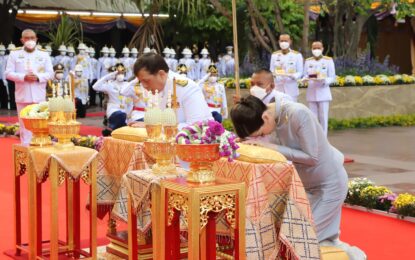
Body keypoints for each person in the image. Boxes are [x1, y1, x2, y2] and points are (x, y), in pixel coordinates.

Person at [230, 95, 366, 260]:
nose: (260, 137)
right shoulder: (268, 118)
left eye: (259, 133)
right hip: (303, 186)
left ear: (265, 117)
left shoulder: (298, 113)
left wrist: (272, 147)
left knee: (304, 238)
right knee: (301, 236)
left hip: (329, 184)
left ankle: (354, 256)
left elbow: (312, 157)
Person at [132, 53, 212, 129]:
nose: (144, 86)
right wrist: (148, 125)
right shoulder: (158, 88)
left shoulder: (187, 88)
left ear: (161, 74)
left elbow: (196, 126)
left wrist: (155, 127)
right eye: (141, 82)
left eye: (146, 81)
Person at [5, 29, 53, 145]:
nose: (30, 40)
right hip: (23, 95)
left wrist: (37, 77)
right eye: (27, 38)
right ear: (22, 40)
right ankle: (26, 149)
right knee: (24, 126)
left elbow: (51, 73)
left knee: (39, 125)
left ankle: (39, 149)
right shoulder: (15, 54)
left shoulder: (43, 54)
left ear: (36, 39)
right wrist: (23, 77)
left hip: (39, 96)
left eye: (32, 38)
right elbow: (8, 73)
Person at [303, 41, 335, 136]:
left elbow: (332, 76)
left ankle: (323, 138)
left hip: (323, 92)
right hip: (312, 92)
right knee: (313, 117)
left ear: (322, 49)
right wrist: (305, 79)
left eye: (318, 48)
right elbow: (305, 74)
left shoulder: (328, 60)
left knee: (323, 117)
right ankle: (315, 136)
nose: (316, 50)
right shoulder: (308, 61)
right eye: (314, 48)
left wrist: (324, 81)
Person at [93, 63, 133, 136]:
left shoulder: (128, 85)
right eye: (118, 73)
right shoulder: (110, 85)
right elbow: (95, 87)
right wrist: (108, 77)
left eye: (122, 73)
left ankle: (111, 128)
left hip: (125, 110)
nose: (120, 75)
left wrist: (130, 114)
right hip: (113, 110)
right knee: (121, 116)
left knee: (128, 121)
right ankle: (113, 128)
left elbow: (130, 102)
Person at [270, 34, 303, 102]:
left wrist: (292, 76)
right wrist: (276, 76)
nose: (283, 43)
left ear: (290, 41)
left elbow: (300, 72)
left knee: (292, 110)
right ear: (279, 42)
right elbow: (271, 70)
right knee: (279, 110)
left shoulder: (297, 55)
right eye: (282, 41)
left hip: (291, 88)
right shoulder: (274, 55)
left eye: (286, 41)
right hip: (278, 88)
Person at [0, 44, 8, 109]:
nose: (2, 52)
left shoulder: (6, 58)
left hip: (3, 78)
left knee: (4, 93)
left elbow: (3, 69)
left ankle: (4, 106)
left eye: (3, 50)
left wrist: (4, 78)